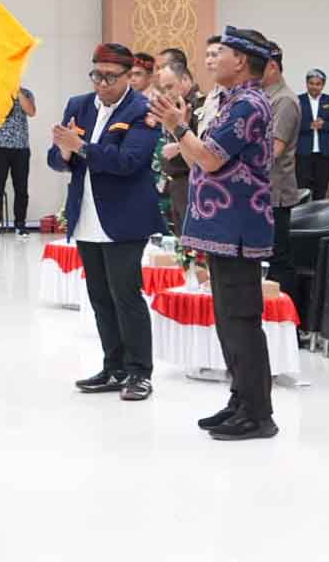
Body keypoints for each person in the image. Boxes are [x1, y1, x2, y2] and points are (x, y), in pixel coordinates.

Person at [153, 26, 278, 440]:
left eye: (218, 53)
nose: (210, 60)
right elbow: (197, 157)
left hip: (238, 224)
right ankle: (240, 399)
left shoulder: (249, 105)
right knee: (226, 317)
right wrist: (182, 129)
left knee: (241, 318)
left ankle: (259, 414)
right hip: (220, 223)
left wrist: (177, 126)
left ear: (241, 61)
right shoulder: (226, 101)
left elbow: (205, 158)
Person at [50, 43, 165, 402]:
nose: (102, 83)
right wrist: (67, 150)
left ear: (130, 76)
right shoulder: (78, 105)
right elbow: (57, 159)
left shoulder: (142, 110)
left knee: (125, 295)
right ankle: (113, 367)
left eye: (110, 77)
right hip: (86, 214)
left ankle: (139, 372)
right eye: (97, 75)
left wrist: (81, 148)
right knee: (99, 296)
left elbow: (129, 160)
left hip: (125, 217)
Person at [260, 45, 301, 304]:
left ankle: (287, 324)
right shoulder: (264, 96)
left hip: (274, 192)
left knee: (278, 261)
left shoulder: (283, 100)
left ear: (273, 67)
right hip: (261, 191)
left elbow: (273, 149)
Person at [151, 60, 200, 235]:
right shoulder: (174, 106)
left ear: (185, 79)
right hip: (175, 182)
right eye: (163, 89)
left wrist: (179, 146)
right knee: (180, 242)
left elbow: (206, 145)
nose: (167, 93)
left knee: (193, 242)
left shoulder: (198, 105)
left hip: (192, 179)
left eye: (170, 87)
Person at [0, 86, 37, 236]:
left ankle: (20, 224)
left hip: (21, 148)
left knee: (21, 188)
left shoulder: (26, 93)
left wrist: (18, 92)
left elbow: (31, 112)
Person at [295, 69, 329, 199]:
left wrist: (323, 125)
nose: (314, 86)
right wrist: (309, 125)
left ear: (323, 85)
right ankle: (303, 216)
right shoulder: (298, 100)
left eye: (318, 84)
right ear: (306, 84)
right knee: (302, 187)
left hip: (324, 152)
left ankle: (319, 217)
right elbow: (292, 124)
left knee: (321, 187)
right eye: (311, 83)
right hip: (304, 152)